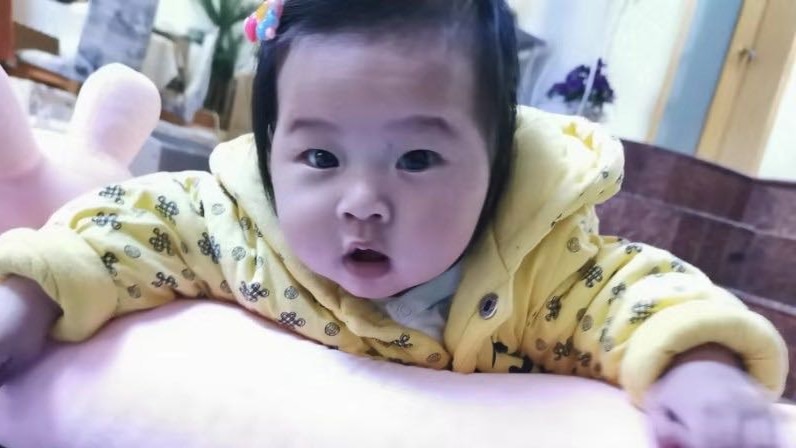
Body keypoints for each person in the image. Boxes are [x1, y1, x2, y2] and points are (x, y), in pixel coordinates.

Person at [0, 0, 788, 446]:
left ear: (498, 166)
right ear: (272, 155)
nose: (363, 201)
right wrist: (30, 296)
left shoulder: (535, 270)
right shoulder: (237, 225)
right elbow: (125, 230)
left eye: (416, 159)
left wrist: (702, 365)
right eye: (319, 158)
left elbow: (636, 292)